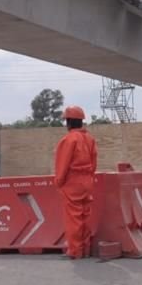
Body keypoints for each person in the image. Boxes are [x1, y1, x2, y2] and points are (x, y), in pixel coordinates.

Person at [53, 105, 98, 259]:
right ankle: (85, 249)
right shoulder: (90, 139)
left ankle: (75, 251)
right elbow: (94, 162)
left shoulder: (68, 139)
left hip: (73, 183)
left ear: (69, 122)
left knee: (74, 218)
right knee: (85, 216)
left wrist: (59, 182)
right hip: (87, 181)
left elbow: (62, 164)